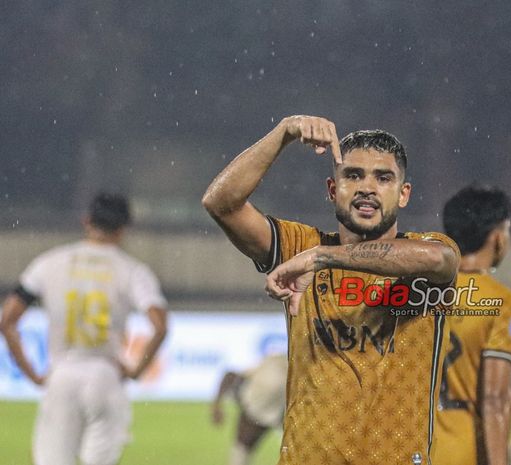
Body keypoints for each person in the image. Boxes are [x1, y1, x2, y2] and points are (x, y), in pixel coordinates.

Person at [202, 115, 460, 465]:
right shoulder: (299, 245)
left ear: (403, 194)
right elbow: (221, 203)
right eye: (352, 175)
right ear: (332, 189)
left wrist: (322, 257)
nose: (366, 187)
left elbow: (439, 260)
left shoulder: (422, 251)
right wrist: (283, 134)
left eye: (383, 178)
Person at [0, 192, 168, 465]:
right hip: (105, 375)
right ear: (123, 228)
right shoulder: (132, 270)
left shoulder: (49, 262)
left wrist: (31, 374)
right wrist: (136, 371)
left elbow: (7, 320)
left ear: (86, 220)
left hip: (62, 375)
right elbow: (160, 326)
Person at [434, 185, 511, 465]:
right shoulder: (502, 301)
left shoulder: (421, 291)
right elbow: (495, 399)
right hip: (467, 448)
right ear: (497, 238)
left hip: (421, 446)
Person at [211, 353, 288, 465]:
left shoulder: (247, 384)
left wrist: (216, 406)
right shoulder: (278, 362)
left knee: (241, 450)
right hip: (284, 407)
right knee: (296, 448)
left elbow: (229, 376)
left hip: (259, 407)